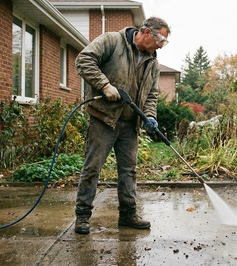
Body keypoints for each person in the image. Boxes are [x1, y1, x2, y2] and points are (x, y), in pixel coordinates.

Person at [73, 17, 170, 234]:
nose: (161, 46)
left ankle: (128, 215)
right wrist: (104, 85)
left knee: (129, 171)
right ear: (146, 32)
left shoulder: (152, 62)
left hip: (129, 124)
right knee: (92, 169)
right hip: (103, 119)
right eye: (161, 40)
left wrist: (150, 116)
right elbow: (83, 60)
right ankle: (82, 216)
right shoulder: (112, 41)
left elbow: (152, 94)